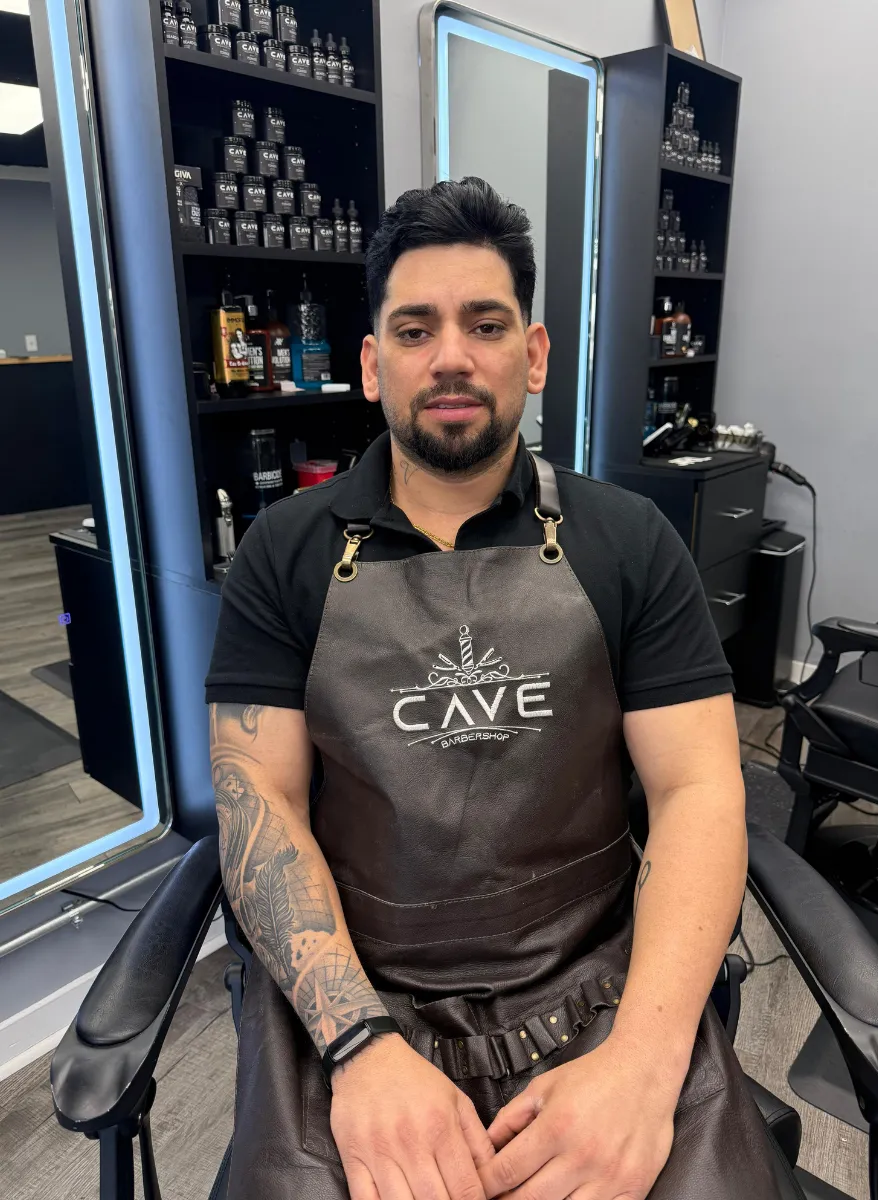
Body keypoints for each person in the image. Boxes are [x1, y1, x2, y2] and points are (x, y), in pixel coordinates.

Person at [205, 177, 803, 1199]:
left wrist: (643, 1065)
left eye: (485, 325)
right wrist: (358, 1046)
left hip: (600, 981)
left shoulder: (627, 540)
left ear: (532, 356)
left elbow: (699, 791)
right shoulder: (284, 553)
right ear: (372, 365)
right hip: (361, 989)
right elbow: (258, 798)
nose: (451, 356)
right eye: (415, 329)